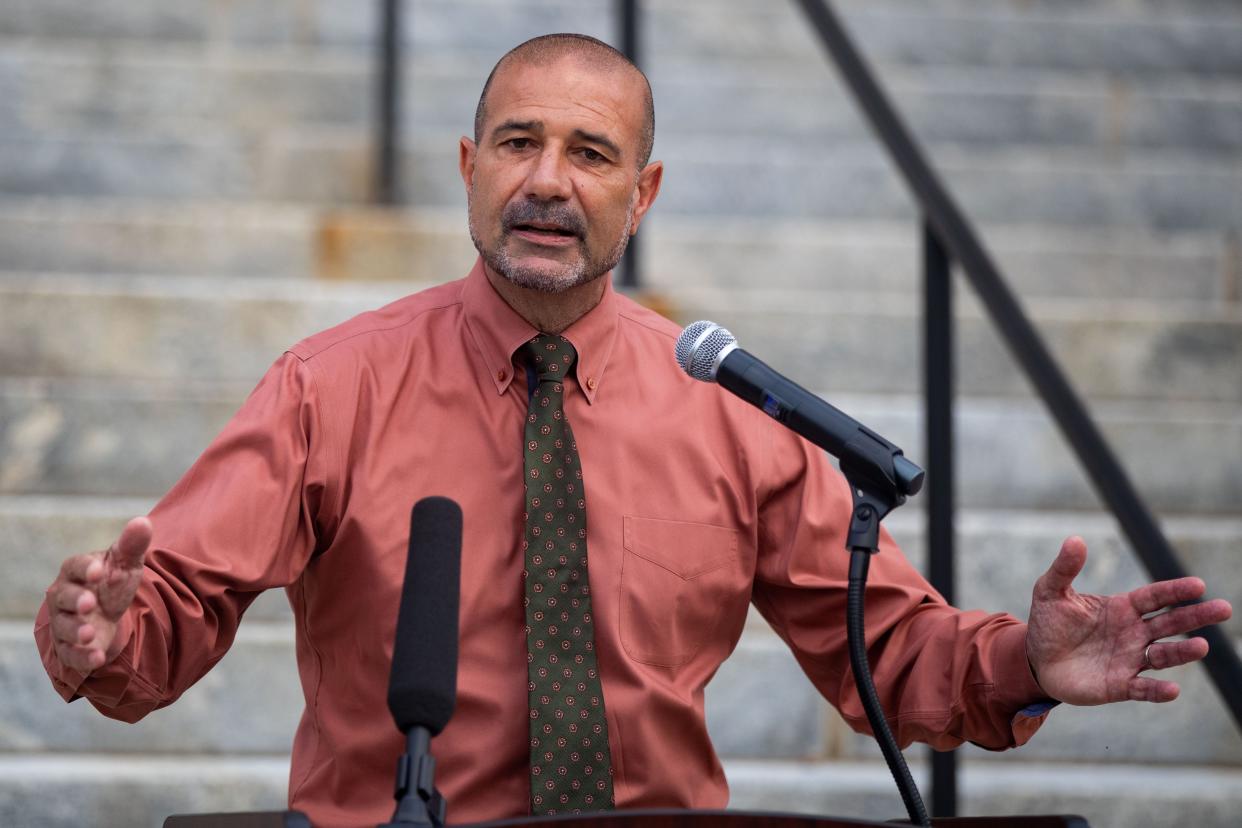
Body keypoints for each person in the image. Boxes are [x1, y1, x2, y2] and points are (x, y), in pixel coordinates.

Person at [36, 33, 1231, 828]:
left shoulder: (729, 407)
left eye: (591, 153)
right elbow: (165, 614)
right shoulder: (326, 388)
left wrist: (1031, 665)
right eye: (518, 144)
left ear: (643, 193)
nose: (548, 181)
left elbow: (893, 658)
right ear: (467, 170)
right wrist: (101, 637)